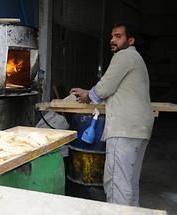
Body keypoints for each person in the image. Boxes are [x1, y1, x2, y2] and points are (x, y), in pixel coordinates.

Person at [70, 22, 154, 206]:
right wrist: (91, 94)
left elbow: (105, 87)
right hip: (139, 129)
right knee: (130, 184)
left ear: (130, 40)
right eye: (112, 36)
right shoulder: (136, 59)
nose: (112, 40)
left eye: (118, 36)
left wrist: (87, 95)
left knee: (117, 185)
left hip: (124, 129)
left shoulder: (124, 56)